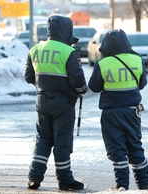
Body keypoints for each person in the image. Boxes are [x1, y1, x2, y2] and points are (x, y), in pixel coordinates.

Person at [23, 15, 87, 191]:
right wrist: (82, 90)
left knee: (43, 139)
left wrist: (44, 85)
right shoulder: (69, 51)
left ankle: (34, 178)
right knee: (62, 142)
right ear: (67, 30)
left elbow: (28, 76)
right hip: (64, 103)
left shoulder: (35, 49)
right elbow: (77, 80)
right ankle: (65, 180)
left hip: (41, 100)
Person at [88, 29, 148, 191]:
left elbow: (93, 87)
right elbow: (142, 84)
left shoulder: (103, 63)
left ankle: (122, 188)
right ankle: (145, 189)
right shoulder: (137, 59)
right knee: (136, 147)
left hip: (111, 113)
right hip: (132, 111)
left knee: (117, 151)